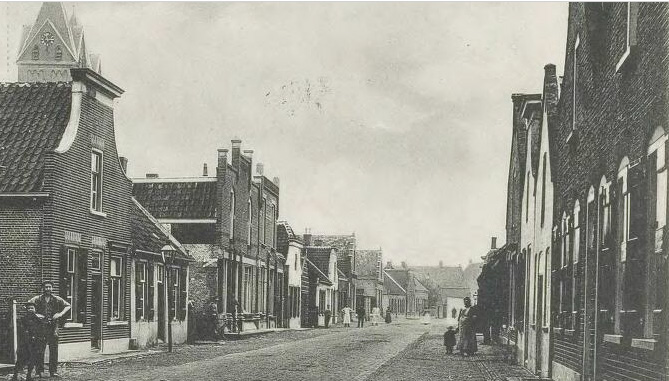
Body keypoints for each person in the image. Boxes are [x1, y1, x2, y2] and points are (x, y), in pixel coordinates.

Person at [29, 281, 71, 378]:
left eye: (50, 287)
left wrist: (60, 314)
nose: (48, 289)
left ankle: (53, 371)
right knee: (40, 349)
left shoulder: (56, 299)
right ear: (43, 288)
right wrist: (35, 313)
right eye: (46, 287)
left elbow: (68, 306)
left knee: (54, 350)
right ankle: (39, 371)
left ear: (52, 288)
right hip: (41, 327)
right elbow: (27, 305)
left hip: (53, 327)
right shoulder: (37, 299)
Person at [12, 302, 45, 381]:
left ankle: (29, 375)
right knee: (21, 359)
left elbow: (41, 330)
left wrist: (39, 338)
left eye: (32, 308)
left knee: (33, 359)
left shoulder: (38, 320)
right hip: (25, 343)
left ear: (35, 309)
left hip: (34, 343)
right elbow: (21, 330)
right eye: (29, 308)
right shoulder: (23, 319)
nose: (30, 310)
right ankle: (15, 375)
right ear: (26, 310)